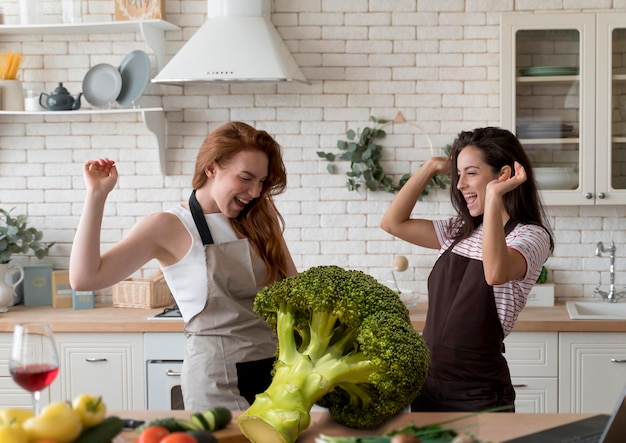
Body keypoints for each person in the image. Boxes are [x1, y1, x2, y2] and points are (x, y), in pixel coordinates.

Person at [69, 121, 298, 411]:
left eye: (262, 181)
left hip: (275, 375)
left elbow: (294, 291)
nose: (255, 191)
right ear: (211, 168)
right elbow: (84, 278)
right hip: (218, 381)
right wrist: (97, 195)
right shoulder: (168, 226)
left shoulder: (259, 221)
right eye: (245, 178)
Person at [380, 126, 553, 413]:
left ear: (503, 175)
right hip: (428, 386)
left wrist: (495, 197)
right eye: (458, 173)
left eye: (471, 173)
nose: (460, 184)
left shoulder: (530, 236)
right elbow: (392, 223)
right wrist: (431, 167)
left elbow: (495, 273)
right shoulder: (458, 230)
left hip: (480, 394)